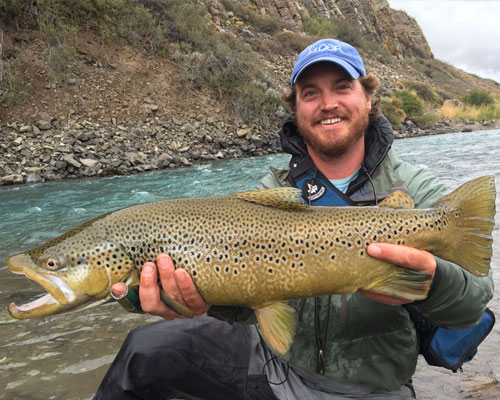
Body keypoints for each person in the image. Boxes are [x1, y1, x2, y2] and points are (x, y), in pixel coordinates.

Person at [94, 39, 494, 400]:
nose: (328, 103)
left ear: (368, 99)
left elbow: (473, 302)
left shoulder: (416, 188)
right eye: (310, 93)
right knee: (143, 352)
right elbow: (248, 307)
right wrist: (192, 300)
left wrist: (431, 281)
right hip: (272, 365)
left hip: (369, 388)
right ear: (296, 108)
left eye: (342, 87)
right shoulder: (272, 189)